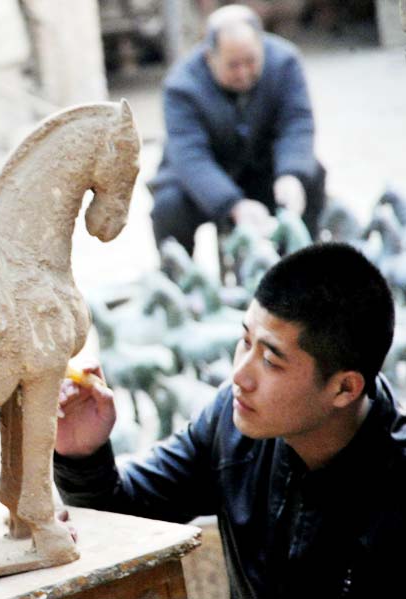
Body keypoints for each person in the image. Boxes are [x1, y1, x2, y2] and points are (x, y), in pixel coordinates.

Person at [54, 243, 406, 598]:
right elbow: (128, 514)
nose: (239, 375)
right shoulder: (232, 420)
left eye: (270, 360)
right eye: (245, 340)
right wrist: (82, 454)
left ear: (345, 388)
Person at [148, 4, 325, 255]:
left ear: (262, 47)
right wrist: (232, 204)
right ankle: (180, 281)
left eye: (251, 61)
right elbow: (189, 156)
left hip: (265, 169)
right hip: (205, 179)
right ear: (210, 56)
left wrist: (291, 173)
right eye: (233, 65)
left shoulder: (286, 62)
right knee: (169, 206)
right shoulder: (181, 86)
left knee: (310, 175)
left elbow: (297, 123)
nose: (243, 73)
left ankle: (299, 264)